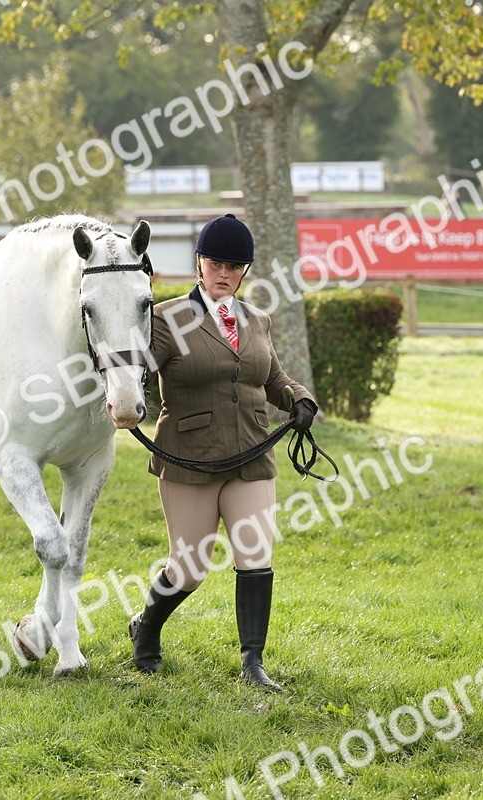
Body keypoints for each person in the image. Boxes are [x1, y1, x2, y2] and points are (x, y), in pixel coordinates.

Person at [129, 213, 318, 691]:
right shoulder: (167, 319)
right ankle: (146, 626)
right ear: (199, 263)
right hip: (189, 458)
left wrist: (299, 400)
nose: (223, 272)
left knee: (255, 554)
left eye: (234, 265)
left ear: (245, 272)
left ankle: (252, 663)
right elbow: (133, 373)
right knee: (189, 568)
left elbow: (272, 378)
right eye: (215, 262)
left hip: (252, 453)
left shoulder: (258, 320)